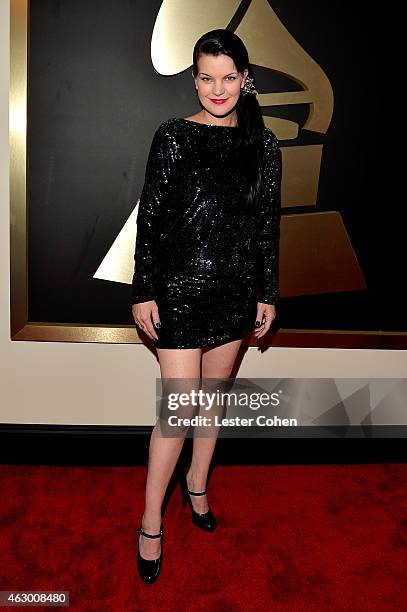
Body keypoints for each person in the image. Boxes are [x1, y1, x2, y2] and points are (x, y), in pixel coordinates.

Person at [131, 28, 282, 584]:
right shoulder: (172, 136)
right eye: (205, 77)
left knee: (212, 405)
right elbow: (150, 219)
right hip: (179, 293)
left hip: (236, 294)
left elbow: (268, 224)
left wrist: (268, 290)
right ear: (194, 79)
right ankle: (151, 521)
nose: (217, 88)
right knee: (177, 414)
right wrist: (143, 288)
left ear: (245, 80)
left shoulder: (263, 144)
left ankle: (197, 488)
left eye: (228, 77)